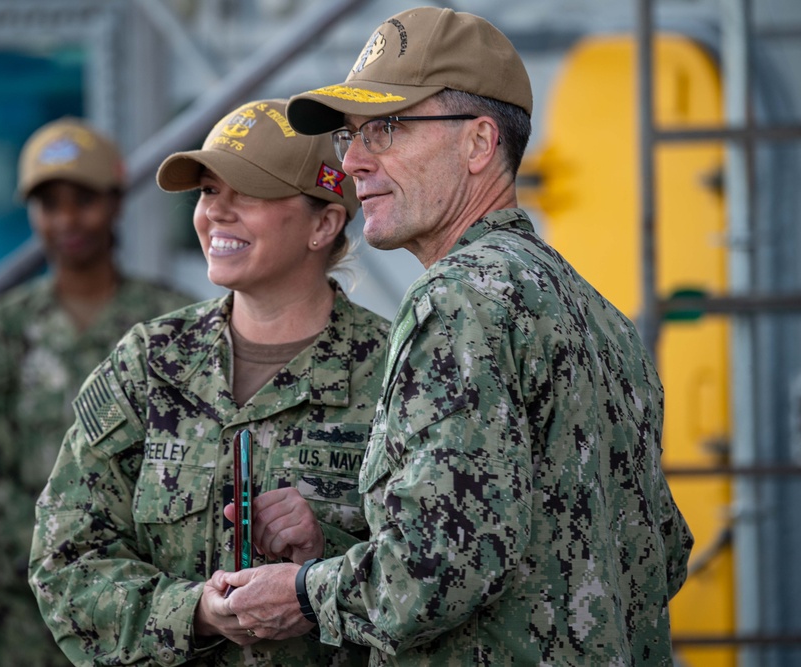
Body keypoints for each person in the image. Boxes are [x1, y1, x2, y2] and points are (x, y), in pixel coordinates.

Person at [211, 7, 695, 665]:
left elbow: (433, 572)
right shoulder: (598, 313)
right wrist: (333, 551)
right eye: (350, 136)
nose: (352, 161)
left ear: (477, 143)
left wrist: (301, 591)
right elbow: (659, 553)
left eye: (384, 129)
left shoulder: (459, 299)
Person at [28, 98, 389, 666]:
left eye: (248, 191)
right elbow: (65, 561)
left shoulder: (394, 370)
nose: (216, 212)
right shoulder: (151, 361)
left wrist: (320, 564)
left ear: (323, 223)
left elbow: (439, 576)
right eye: (208, 191)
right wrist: (193, 611)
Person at [0, 118, 194, 667]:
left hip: (152, 604)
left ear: (114, 202)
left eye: (82, 200)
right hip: (25, 615)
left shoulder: (174, 323)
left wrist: (131, 585)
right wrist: (65, 572)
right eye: (48, 204)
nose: (66, 220)